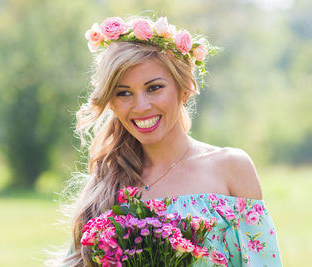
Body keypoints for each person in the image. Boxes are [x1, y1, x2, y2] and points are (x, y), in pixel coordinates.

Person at [59, 16, 282, 267]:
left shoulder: (231, 168)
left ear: (184, 88)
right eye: (124, 93)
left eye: (154, 88)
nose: (141, 106)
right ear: (111, 102)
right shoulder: (107, 185)